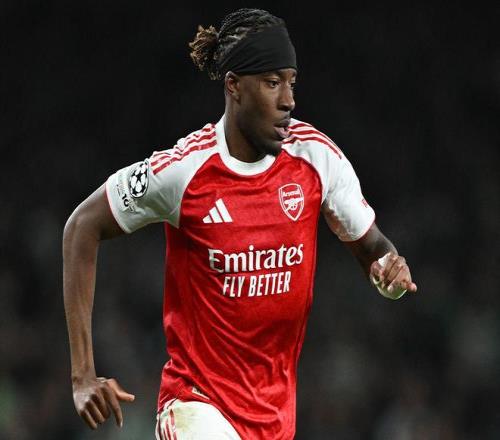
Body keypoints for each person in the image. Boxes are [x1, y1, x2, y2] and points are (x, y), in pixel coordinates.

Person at [63, 8, 417, 440]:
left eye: (291, 82)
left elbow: (374, 251)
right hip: (195, 405)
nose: (288, 100)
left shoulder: (316, 158)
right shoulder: (184, 171)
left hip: (274, 417)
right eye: (272, 83)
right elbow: (82, 226)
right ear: (234, 86)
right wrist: (82, 375)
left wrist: (389, 272)